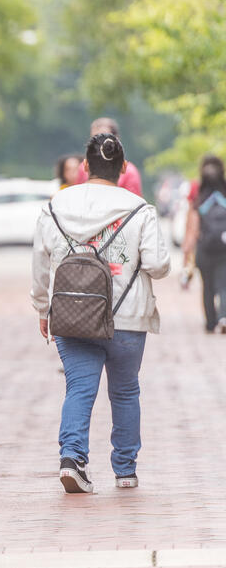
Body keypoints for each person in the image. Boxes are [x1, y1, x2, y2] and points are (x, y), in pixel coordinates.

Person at [31, 131, 170, 493]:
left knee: (78, 387)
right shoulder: (140, 209)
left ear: (85, 166)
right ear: (123, 168)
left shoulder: (55, 205)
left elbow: (40, 265)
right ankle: (125, 470)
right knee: (125, 392)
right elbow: (157, 264)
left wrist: (42, 308)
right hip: (127, 316)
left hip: (71, 313)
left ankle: (72, 460)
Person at [183, 155, 226, 333]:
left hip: (205, 250)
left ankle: (210, 322)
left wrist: (186, 255)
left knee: (207, 287)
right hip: (224, 248)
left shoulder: (199, 198)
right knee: (223, 285)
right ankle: (223, 316)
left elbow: (193, 230)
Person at [74, 118, 144, 196]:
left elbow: (134, 201)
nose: (100, 142)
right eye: (95, 138)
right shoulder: (81, 169)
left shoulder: (130, 172)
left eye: (105, 137)